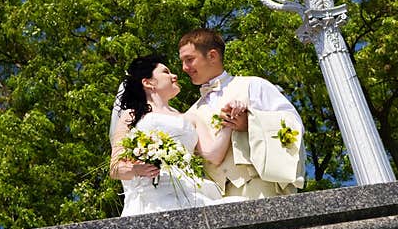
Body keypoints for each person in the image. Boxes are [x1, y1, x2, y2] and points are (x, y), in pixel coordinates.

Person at [109, 54, 247, 216]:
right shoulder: (131, 116)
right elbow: (115, 168)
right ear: (148, 82)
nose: (175, 76)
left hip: (190, 190)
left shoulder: (191, 118)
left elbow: (214, 155)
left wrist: (229, 119)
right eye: (166, 72)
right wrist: (138, 169)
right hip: (152, 196)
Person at [178, 28, 306, 200]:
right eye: (182, 62)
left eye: (189, 60)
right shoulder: (191, 113)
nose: (184, 68)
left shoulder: (254, 85)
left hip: (262, 188)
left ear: (212, 56)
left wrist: (250, 123)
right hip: (217, 200)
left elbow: (294, 125)